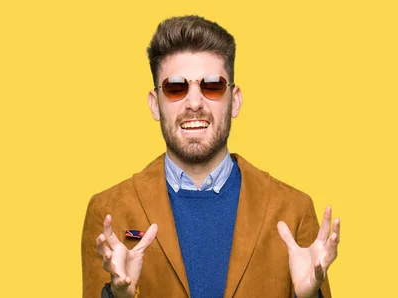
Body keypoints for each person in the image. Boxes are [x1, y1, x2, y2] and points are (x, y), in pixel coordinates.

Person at [81, 15, 340, 298]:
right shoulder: (109, 211)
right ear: (156, 105)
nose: (194, 103)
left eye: (213, 85)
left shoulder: (293, 210)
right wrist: (116, 297)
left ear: (235, 101)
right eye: (176, 88)